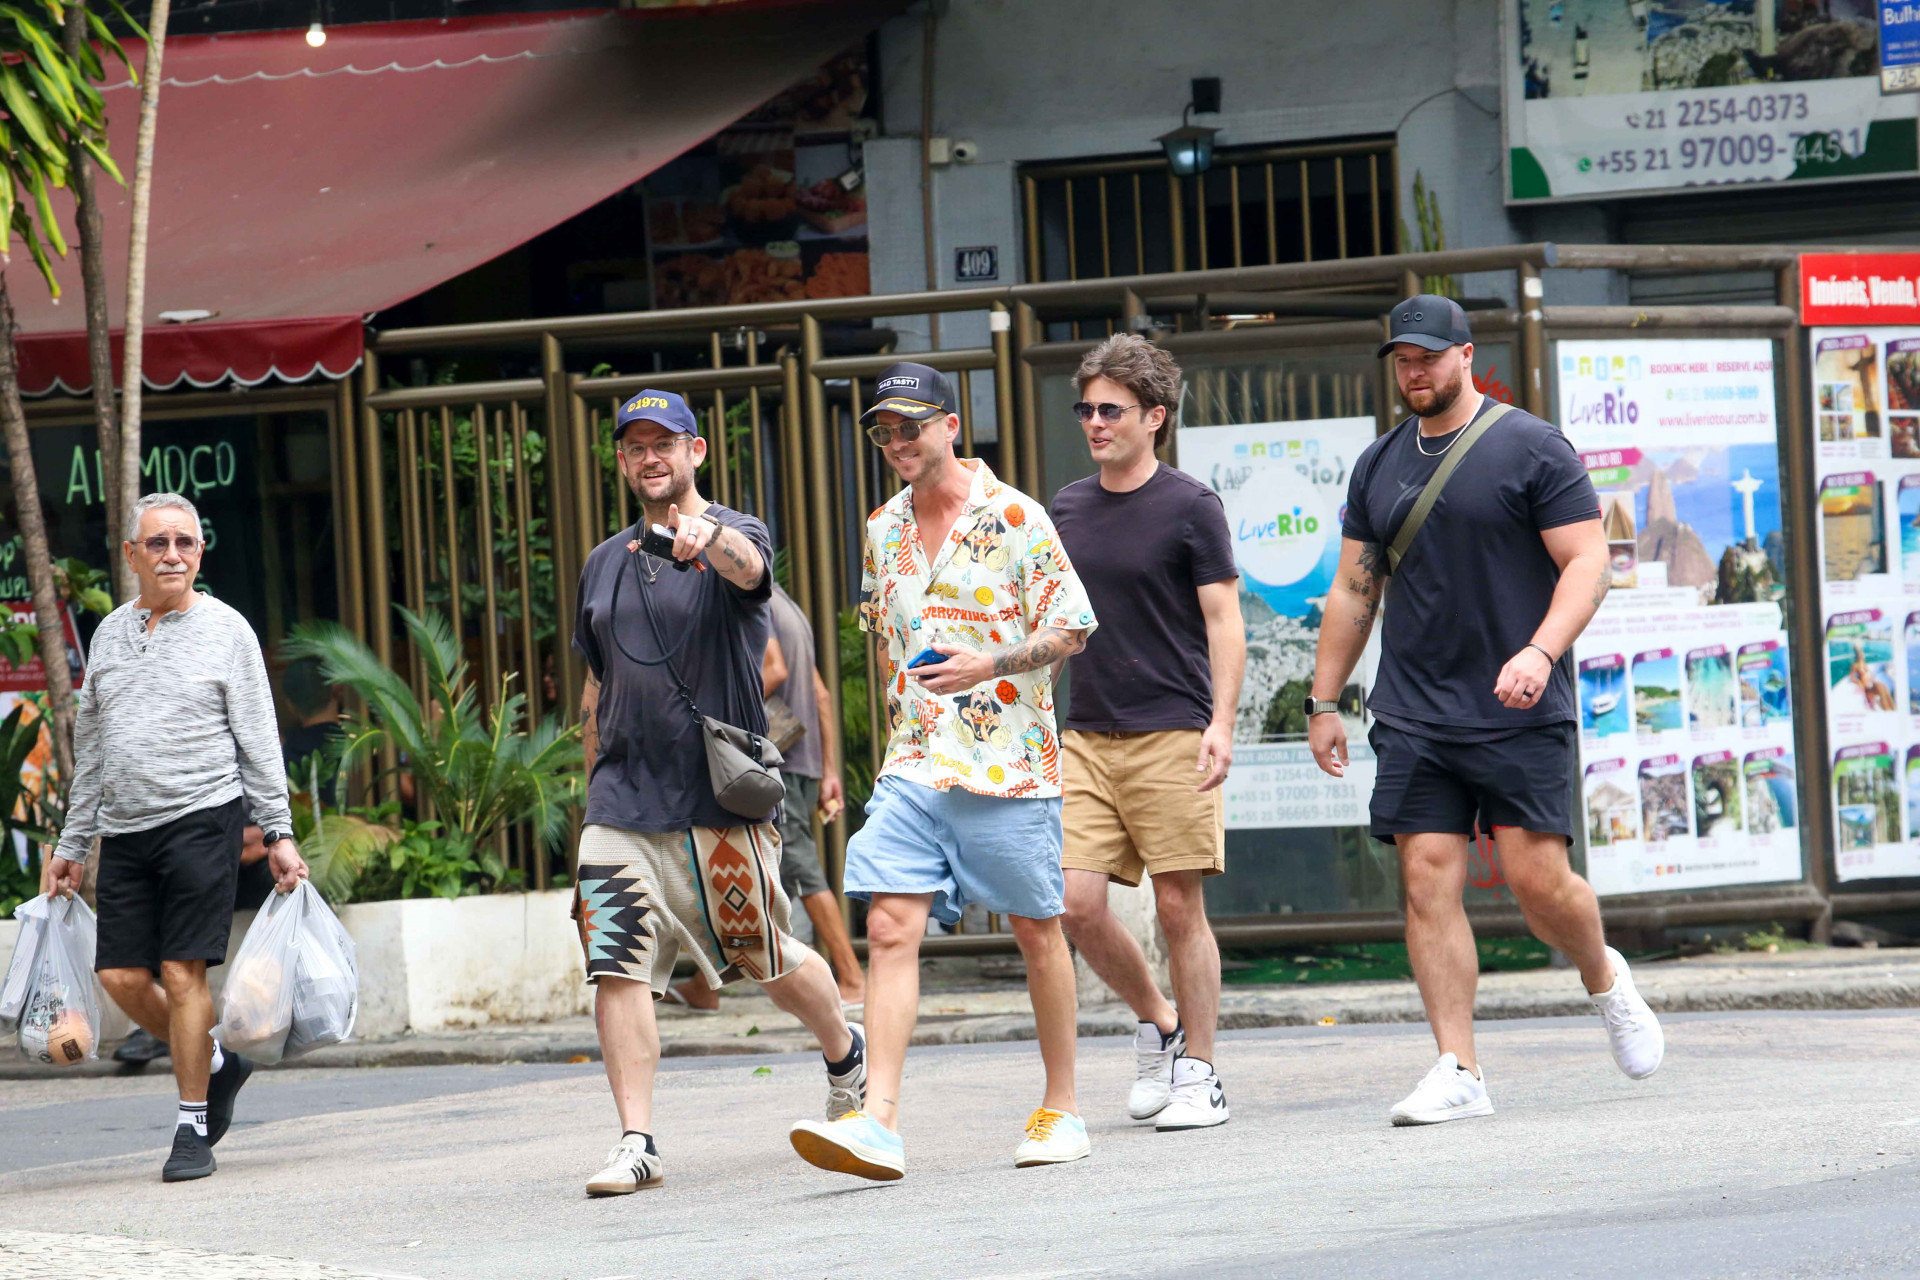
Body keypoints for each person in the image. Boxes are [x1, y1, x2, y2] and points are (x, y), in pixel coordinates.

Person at [1307, 295, 1664, 1126]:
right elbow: (1356, 587)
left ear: (1466, 355)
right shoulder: (1380, 464)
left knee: (1540, 885)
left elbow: (1587, 564)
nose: (1415, 372)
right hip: (1416, 707)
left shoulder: (1532, 447)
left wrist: (1540, 652)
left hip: (1518, 701)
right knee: (1427, 877)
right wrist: (1325, 698)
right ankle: (1458, 1067)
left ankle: (1604, 979)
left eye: (1429, 356)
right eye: (1402, 359)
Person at [788, 362, 1097, 1181]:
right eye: (883, 430)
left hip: (1009, 764)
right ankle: (877, 1121)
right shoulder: (881, 528)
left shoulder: (1017, 516)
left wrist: (988, 664)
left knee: (1037, 930)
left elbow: (1071, 629)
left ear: (951, 426)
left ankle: (1061, 1105)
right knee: (889, 927)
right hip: (914, 760)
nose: (895, 442)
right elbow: (887, 639)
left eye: (911, 426)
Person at [572, 389, 861, 1196]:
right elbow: (598, 685)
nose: (649, 457)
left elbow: (753, 572)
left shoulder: (737, 534)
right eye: (635, 446)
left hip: (717, 803)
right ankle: (636, 1140)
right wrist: (588, 796)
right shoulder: (601, 564)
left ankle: (844, 1047)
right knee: (616, 966)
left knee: (763, 956)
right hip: (621, 806)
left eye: (665, 443)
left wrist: (711, 541)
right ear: (623, 461)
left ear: (696, 452)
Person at [48, 493, 308, 1182]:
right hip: (125, 830)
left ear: (199, 554)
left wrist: (278, 831)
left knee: (180, 971)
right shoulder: (108, 635)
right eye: (157, 542)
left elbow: (259, 741)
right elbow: (94, 749)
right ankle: (218, 1064)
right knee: (120, 976)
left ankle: (192, 1125)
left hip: (203, 817)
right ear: (131, 554)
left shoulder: (229, 631)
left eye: (185, 543)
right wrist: (72, 845)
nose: (172, 554)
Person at [1051, 335, 1244, 1131]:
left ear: (1153, 417)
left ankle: (1200, 1072)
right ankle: (1159, 1023)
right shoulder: (1064, 507)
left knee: (1177, 905)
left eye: (1112, 410)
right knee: (1073, 904)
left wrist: (1221, 724)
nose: (1095, 423)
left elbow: (1225, 620)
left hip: (1172, 726)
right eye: (1086, 409)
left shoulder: (1191, 505)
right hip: (1087, 733)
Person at [668, 584, 867, 1013]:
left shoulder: (752, 602)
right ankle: (708, 987)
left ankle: (852, 978)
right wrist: (829, 770)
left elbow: (773, 670)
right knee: (741, 873)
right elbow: (821, 694)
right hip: (799, 760)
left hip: (773, 764)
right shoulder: (790, 607)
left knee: (801, 871)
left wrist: (710, 716)